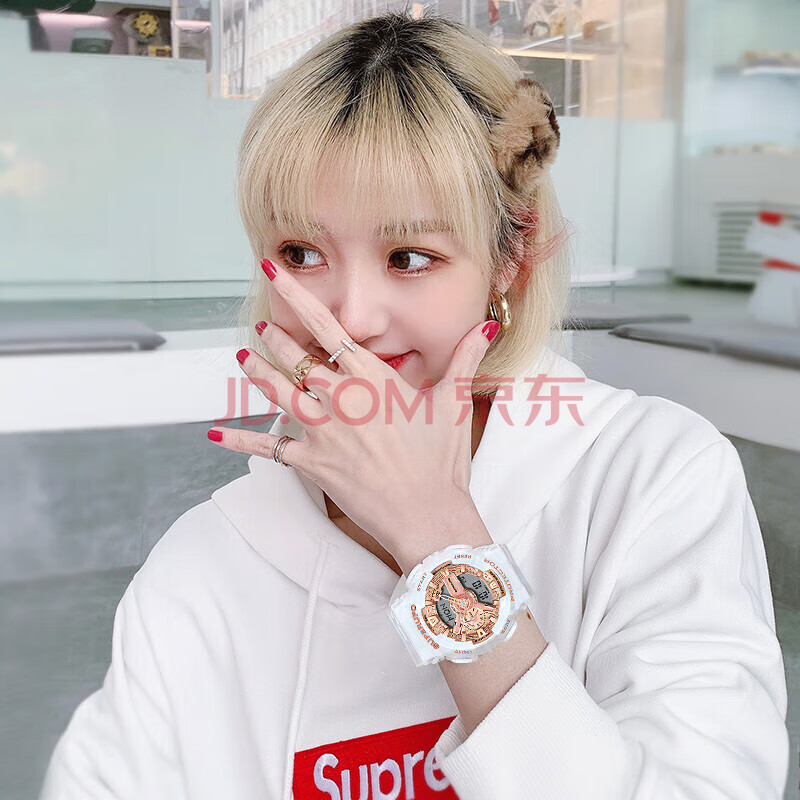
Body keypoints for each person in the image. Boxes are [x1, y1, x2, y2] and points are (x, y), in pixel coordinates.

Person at [39, 10, 790, 800]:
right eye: (301, 253)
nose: (354, 316)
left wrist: (440, 539)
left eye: (409, 257)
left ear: (511, 254)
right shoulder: (205, 564)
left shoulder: (652, 479)